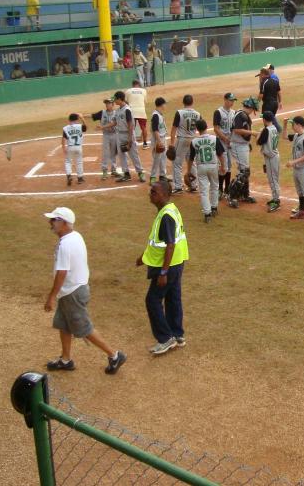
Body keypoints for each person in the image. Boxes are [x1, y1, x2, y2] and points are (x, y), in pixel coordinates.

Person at [43, 207, 126, 374]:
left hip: (72, 292)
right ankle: (66, 360)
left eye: (54, 220)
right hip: (73, 290)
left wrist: (51, 297)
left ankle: (114, 355)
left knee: (84, 329)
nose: (50, 223)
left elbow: (62, 273)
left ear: (64, 223)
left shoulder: (66, 244)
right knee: (64, 325)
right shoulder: (75, 236)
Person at [136, 181, 188, 355]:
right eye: (151, 191)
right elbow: (158, 243)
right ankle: (177, 334)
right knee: (173, 297)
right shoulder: (170, 209)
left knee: (152, 300)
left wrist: (163, 272)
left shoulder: (166, 216)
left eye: (154, 192)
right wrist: (143, 258)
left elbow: (170, 245)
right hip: (178, 261)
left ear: (164, 195)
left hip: (169, 266)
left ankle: (165, 339)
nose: (150, 194)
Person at [187, 119, 226, 222]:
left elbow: (191, 158)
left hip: (201, 167)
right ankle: (214, 208)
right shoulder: (214, 139)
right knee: (214, 187)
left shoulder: (194, 141)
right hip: (213, 166)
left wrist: (188, 171)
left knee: (204, 191)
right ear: (206, 127)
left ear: (197, 129)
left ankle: (207, 214)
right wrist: (223, 166)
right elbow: (221, 154)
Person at [227, 97, 258, 208]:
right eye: (253, 109)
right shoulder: (240, 115)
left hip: (242, 145)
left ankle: (244, 195)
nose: (253, 111)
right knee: (244, 171)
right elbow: (236, 130)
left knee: (244, 171)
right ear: (250, 107)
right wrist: (253, 133)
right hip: (237, 145)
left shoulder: (243, 115)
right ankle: (232, 197)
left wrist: (248, 142)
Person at [171, 94, 201, 194]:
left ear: (183, 102)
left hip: (182, 139)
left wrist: (171, 143)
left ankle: (178, 187)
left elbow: (174, 128)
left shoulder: (179, 113)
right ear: (192, 102)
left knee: (177, 163)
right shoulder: (197, 114)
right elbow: (201, 128)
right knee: (191, 162)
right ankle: (193, 185)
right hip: (193, 140)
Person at [284, 116, 304, 221]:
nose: (292, 126)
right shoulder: (296, 136)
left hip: (303, 169)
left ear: (299, 125)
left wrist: (293, 162)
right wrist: (285, 125)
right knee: (300, 192)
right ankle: (302, 212)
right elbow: (285, 137)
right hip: (296, 169)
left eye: (293, 124)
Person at [112, 90, 145, 183]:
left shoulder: (127, 110)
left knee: (133, 154)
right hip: (120, 134)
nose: (114, 101)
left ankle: (140, 173)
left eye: (115, 99)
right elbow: (115, 122)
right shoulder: (117, 111)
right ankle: (126, 174)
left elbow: (130, 125)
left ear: (119, 99)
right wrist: (103, 127)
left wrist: (130, 139)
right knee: (122, 155)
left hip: (128, 133)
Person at [213, 93, 236, 199]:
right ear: (225, 100)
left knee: (229, 166)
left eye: (233, 100)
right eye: (230, 100)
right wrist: (225, 138)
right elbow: (216, 129)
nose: (232, 102)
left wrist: (232, 140)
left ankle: (227, 190)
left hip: (230, 142)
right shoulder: (218, 112)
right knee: (223, 166)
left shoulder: (234, 113)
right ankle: (220, 190)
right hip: (221, 142)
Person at [257, 111, 280, 212]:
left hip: (271, 157)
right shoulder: (274, 128)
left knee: (273, 180)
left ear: (265, 120)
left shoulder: (266, 130)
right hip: (274, 156)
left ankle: (276, 201)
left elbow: (258, 142)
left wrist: (260, 132)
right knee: (274, 179)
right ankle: (275, 198)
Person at [91, 98, 119, 180]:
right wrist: (82, 115)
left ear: (112, 104)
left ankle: (113, 170)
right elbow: (92, 116)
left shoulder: (116, 113)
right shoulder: (102, 113)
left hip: (114, 134)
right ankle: (105, 171)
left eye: (108, 103)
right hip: (106, 135)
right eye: (106, 103)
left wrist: (102, 127)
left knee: (114, 153)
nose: (107, 105)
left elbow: (114, 123)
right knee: (105, 153)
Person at [62, 113, 87, 186]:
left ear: (69, 119)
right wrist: (82, 118)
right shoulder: (80, 126)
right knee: (79, 162)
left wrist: (64, 148)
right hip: (79, 147)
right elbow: (85, 128)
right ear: (77, 119)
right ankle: (80, 178)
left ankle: (69, 175)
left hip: (70, 147)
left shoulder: (65, 128)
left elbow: (63, 139)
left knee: (68, 162)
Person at [257, 66, 282, 132]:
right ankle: (277, 129)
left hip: (268, 104)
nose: (260, 77)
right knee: (272, 118)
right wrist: (280, 102)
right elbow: (279, 92)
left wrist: (257, 103)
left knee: (265, 118)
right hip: (275, 104)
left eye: (260, 75)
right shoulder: (275, 81)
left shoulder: (264, 82)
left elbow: (261, 95)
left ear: (263, 74)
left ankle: (271, 131)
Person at [125, 79, 148, 149]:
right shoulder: (144, 91)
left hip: (132, 111)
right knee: (143, 127)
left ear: (132, 85)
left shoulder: (128, 91)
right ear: (139, 84)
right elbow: (145, 101)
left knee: (131, 128)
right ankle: (145, 144)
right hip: (141, 111)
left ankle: (131, 143)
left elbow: (126, 102)